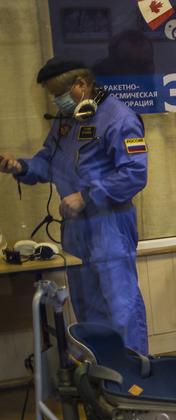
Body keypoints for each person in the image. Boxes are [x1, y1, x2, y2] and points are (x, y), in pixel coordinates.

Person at [1, 58, 149, 354]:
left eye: (59, 92)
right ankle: (99, 379)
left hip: (109, 224)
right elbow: (49, 162)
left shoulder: (120, 119)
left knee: (121, 307)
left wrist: (87, 196)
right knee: (86, 306)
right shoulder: (67, 120)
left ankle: (133, 383)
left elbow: (135, 174)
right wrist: (20, 167)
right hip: (77, 228)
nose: (56, 99)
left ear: (81, 85)